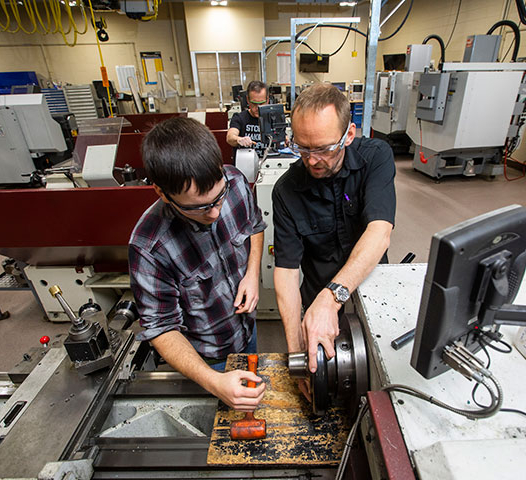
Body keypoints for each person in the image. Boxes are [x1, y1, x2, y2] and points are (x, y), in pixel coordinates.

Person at [129, 117, 267, 411]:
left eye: (218, 198)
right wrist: (214, 381)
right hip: (205, 358)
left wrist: (252, 273)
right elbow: (161, 328)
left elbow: (255, 226)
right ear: (162, 193)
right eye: (200, 207)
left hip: (246, 329)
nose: (216, 213)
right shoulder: (149, 247)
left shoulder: (236, 182)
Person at [272, 83, 396, 396]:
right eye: (303, 148)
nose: (312, 160)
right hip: (318, 302)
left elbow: (379, 232)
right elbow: (286, 272)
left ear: (349, 135)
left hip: (371, 295)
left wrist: (332, 297)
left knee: (381, 382)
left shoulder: (375, 158)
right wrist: (295, 350)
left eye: (325, 149)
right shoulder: (286, 191)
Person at [227, 80, 268, 159]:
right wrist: (239, 139)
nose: (258, 108)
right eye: (254, 103)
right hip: (246, 164)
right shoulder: (239, 118)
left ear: (267, 100)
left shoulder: (274, 118)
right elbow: (230, 137)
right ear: (248, 100)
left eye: (262, 103)